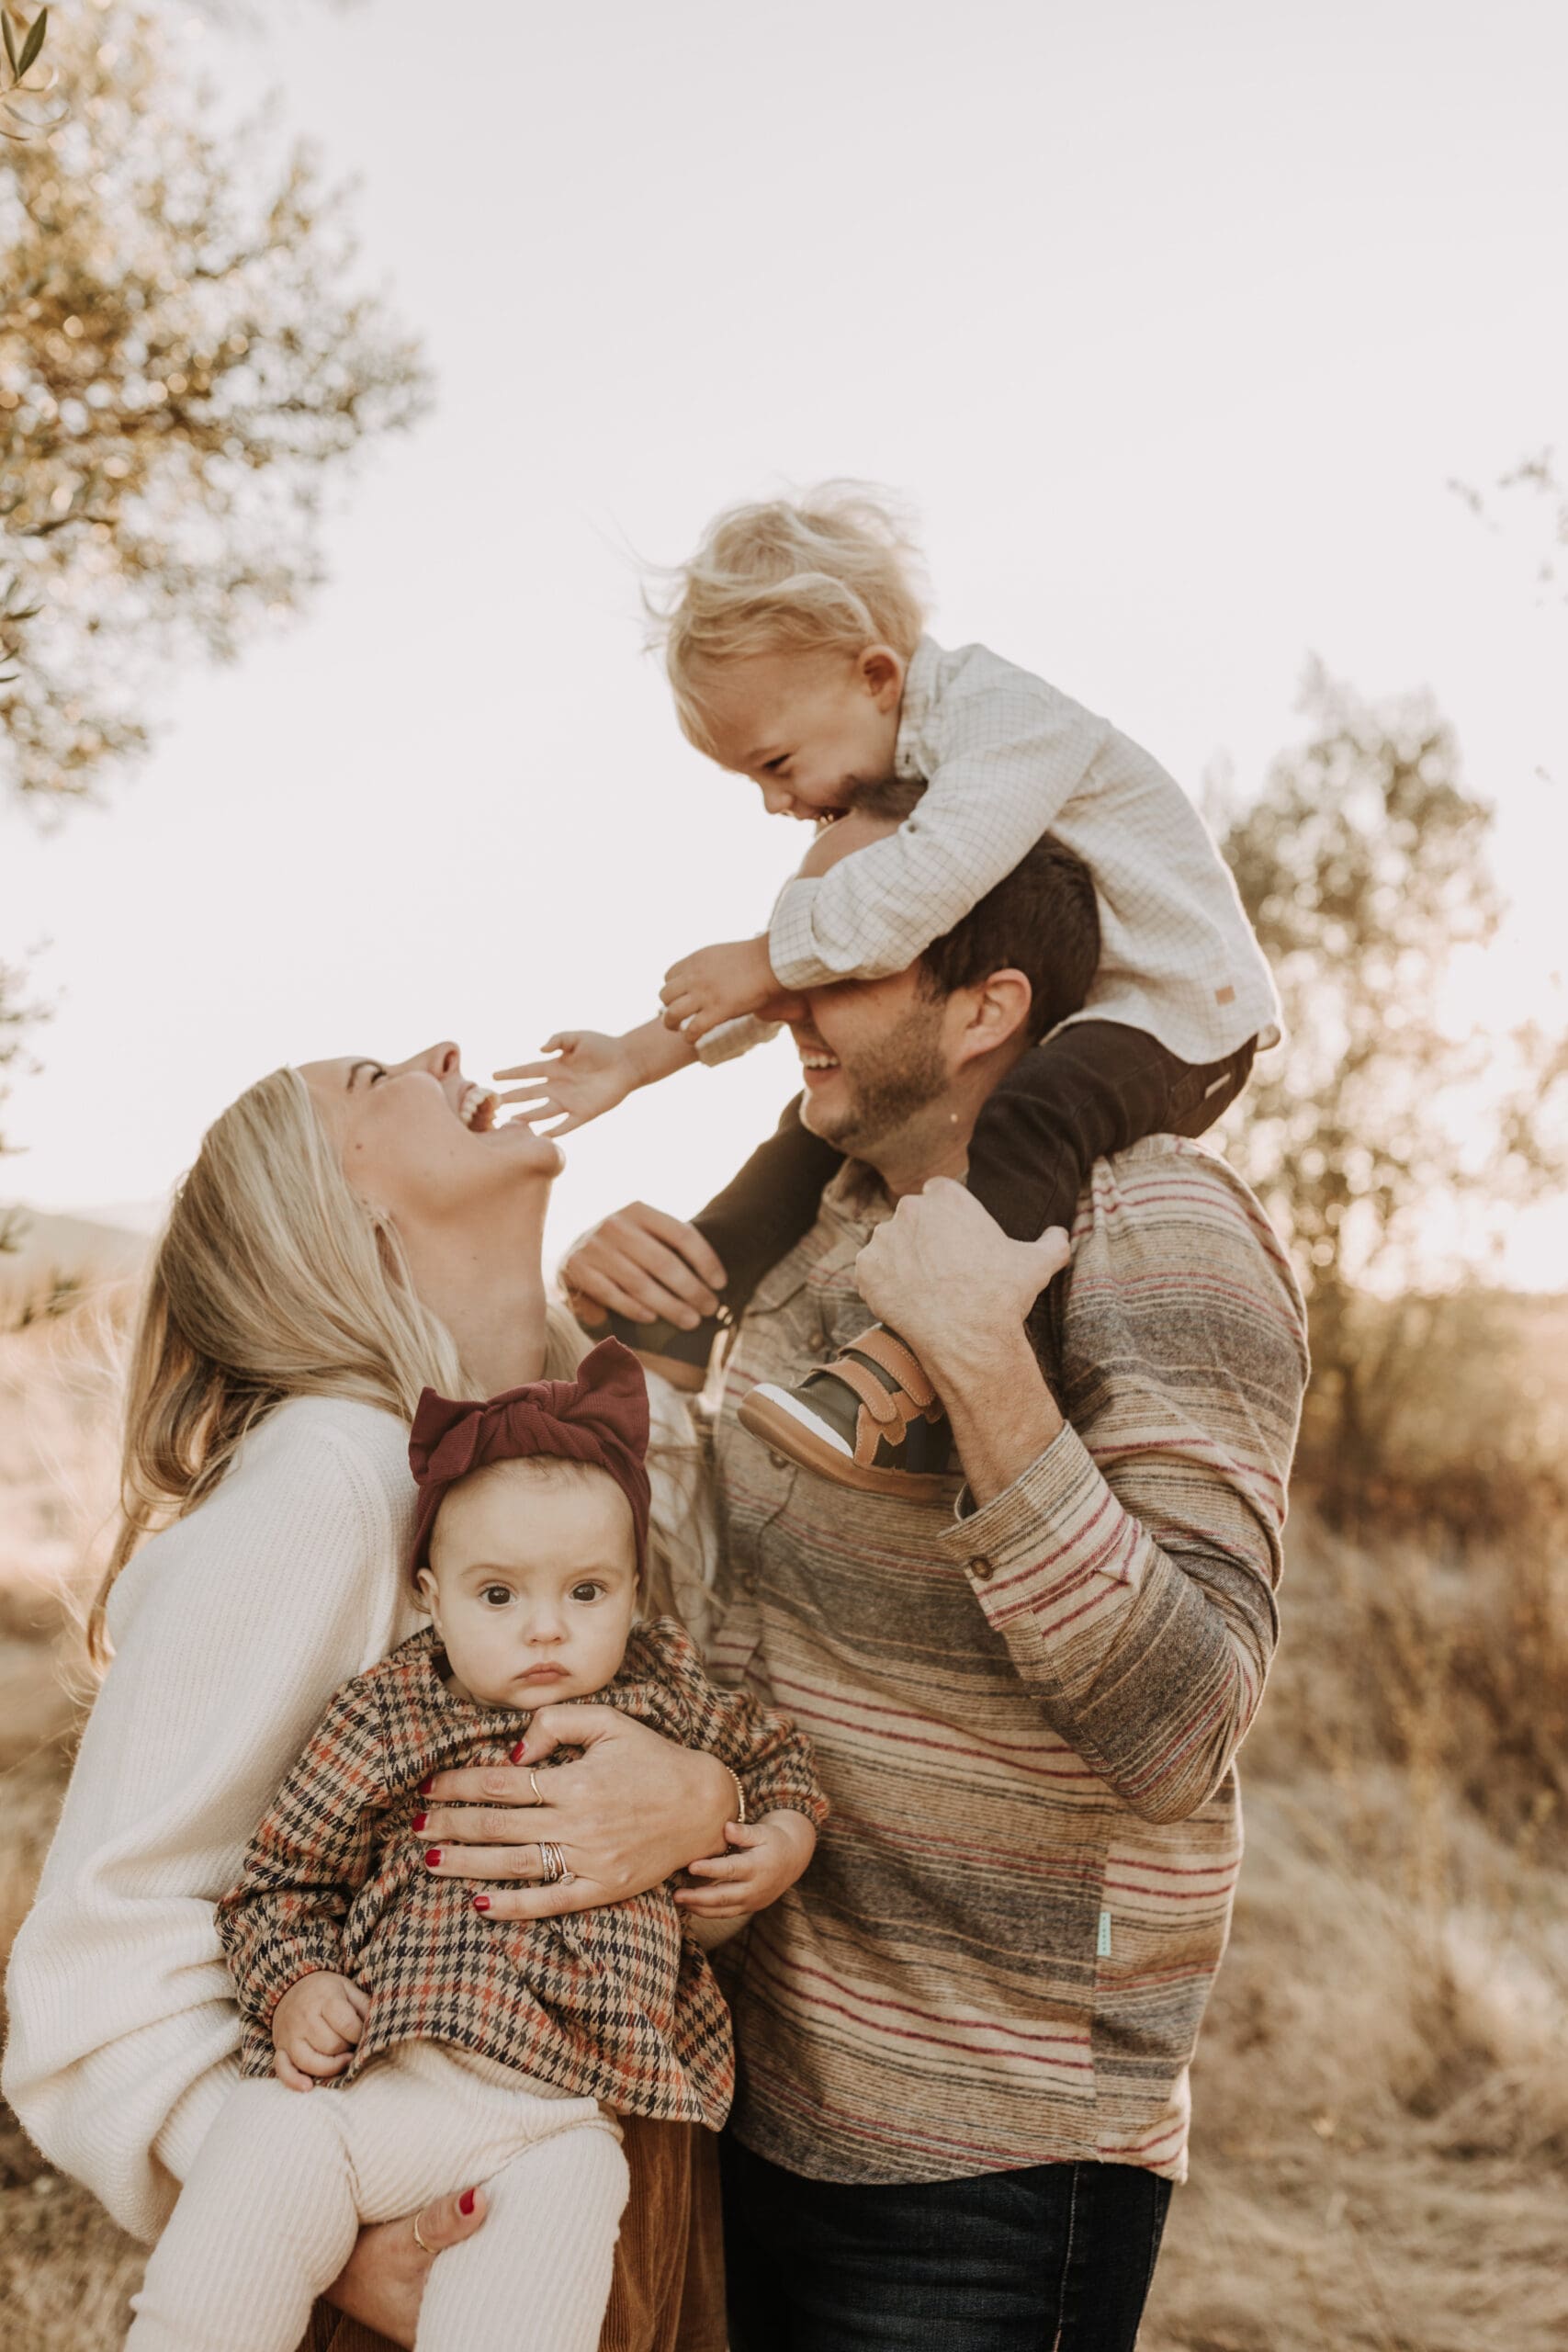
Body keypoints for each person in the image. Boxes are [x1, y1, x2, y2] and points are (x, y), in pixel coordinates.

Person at [561, 795, 1311, 2350]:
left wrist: (979, 1361)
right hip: (741, 2072)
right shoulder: (820, 1219)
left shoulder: (1163, 1227)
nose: (785, 997)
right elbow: (719, 1592)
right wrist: (604, 1341)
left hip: (991, 2147)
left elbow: (1181, 1728)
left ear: (986, 1008)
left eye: (837, 962)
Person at [3, 1046, 738, 2352]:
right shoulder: (332, 1481)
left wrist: (713, 1801)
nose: (443, 1055)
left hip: (601, 2184)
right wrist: (322, 2228)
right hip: (401, 2235)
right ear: (341, 1202)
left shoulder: (584, 1445)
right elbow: (101, 1951)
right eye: (368, 1077)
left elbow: (691, 1730)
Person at [496, 484, 1280, 1493]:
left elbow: (895, 912)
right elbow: (846, 959)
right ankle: (696, 1296)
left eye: (776, 765)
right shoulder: (909, 767)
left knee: (1035, 1116)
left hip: (1179, 1015)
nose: (778, 802)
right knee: (812, 1122)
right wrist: (644, 1053)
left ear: (876, 675)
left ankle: (913, 1382)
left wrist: (764, 956)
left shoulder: (1008, 726)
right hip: (1076, 1000)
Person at [126, 1339, 823, 2352]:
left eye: (587, 1592)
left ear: (635, 1589)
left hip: (560, 2120)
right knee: (262, 2150)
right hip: (380, 2082)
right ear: (429, 1593)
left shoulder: (669, 1699)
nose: (546, 1630)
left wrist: (783, 1840)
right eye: (499, 1595)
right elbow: (280, 1886)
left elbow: (780, 1758)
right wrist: (299, 1986)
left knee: (544, 2283)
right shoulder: (384, 1715)